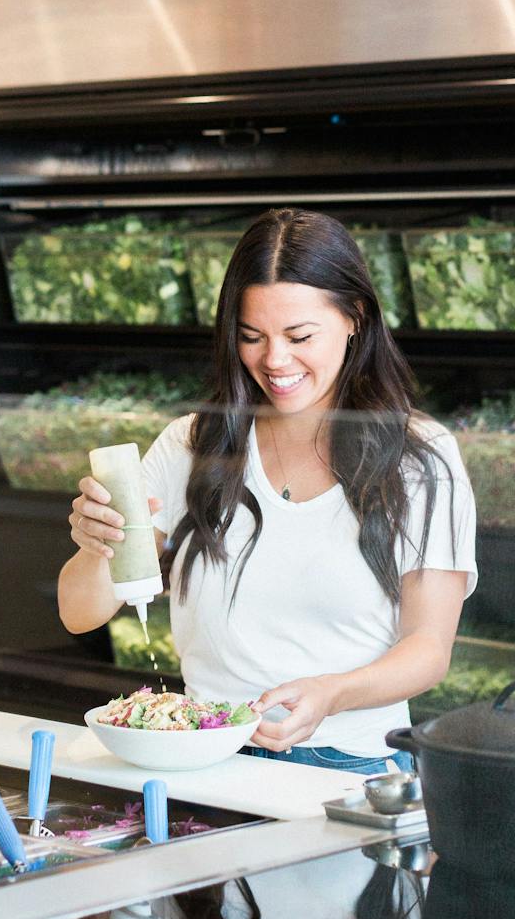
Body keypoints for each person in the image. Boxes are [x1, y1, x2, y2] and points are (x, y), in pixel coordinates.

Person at [59, 207, 477, 775]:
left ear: (355, 317)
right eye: (252, 337)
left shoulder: (420, 457)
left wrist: (332, 693)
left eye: (300, 336)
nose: (274, 361)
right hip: (203, 759)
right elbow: (80, 614)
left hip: (352, 764)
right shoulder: (190, 444)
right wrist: (95, 544)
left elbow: (428, 650)